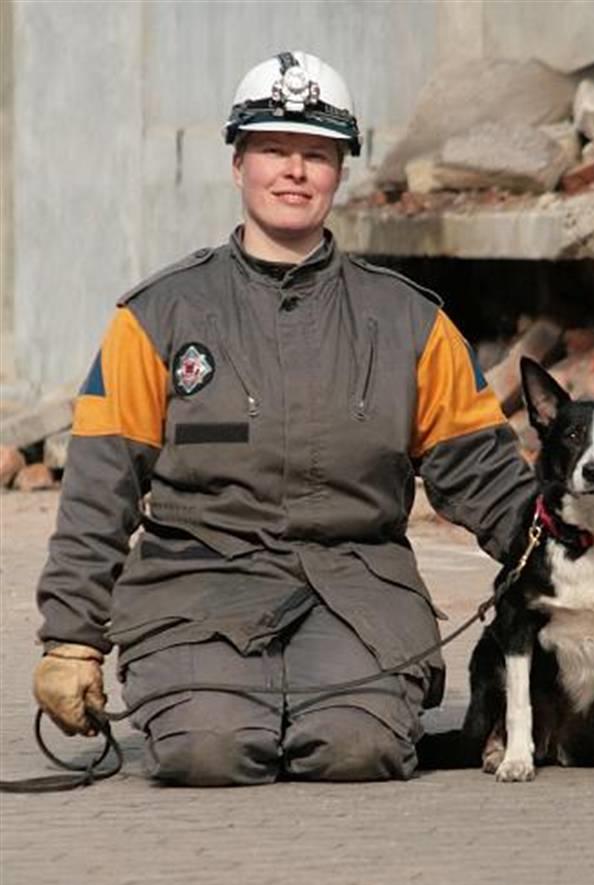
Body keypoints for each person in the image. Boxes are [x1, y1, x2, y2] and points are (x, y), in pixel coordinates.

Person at [33, 50, 535, 787]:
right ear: (239, 165)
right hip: (198, 586)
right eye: (273, 150)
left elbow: (484, 474)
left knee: (355, 752)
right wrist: (72, 638)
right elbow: (100, 485)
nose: (294, 171)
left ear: (340, 171)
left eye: (317, 154)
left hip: (360, 588)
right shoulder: (158, 317)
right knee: (210, 751)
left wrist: (588, 550)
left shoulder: (409, 321)